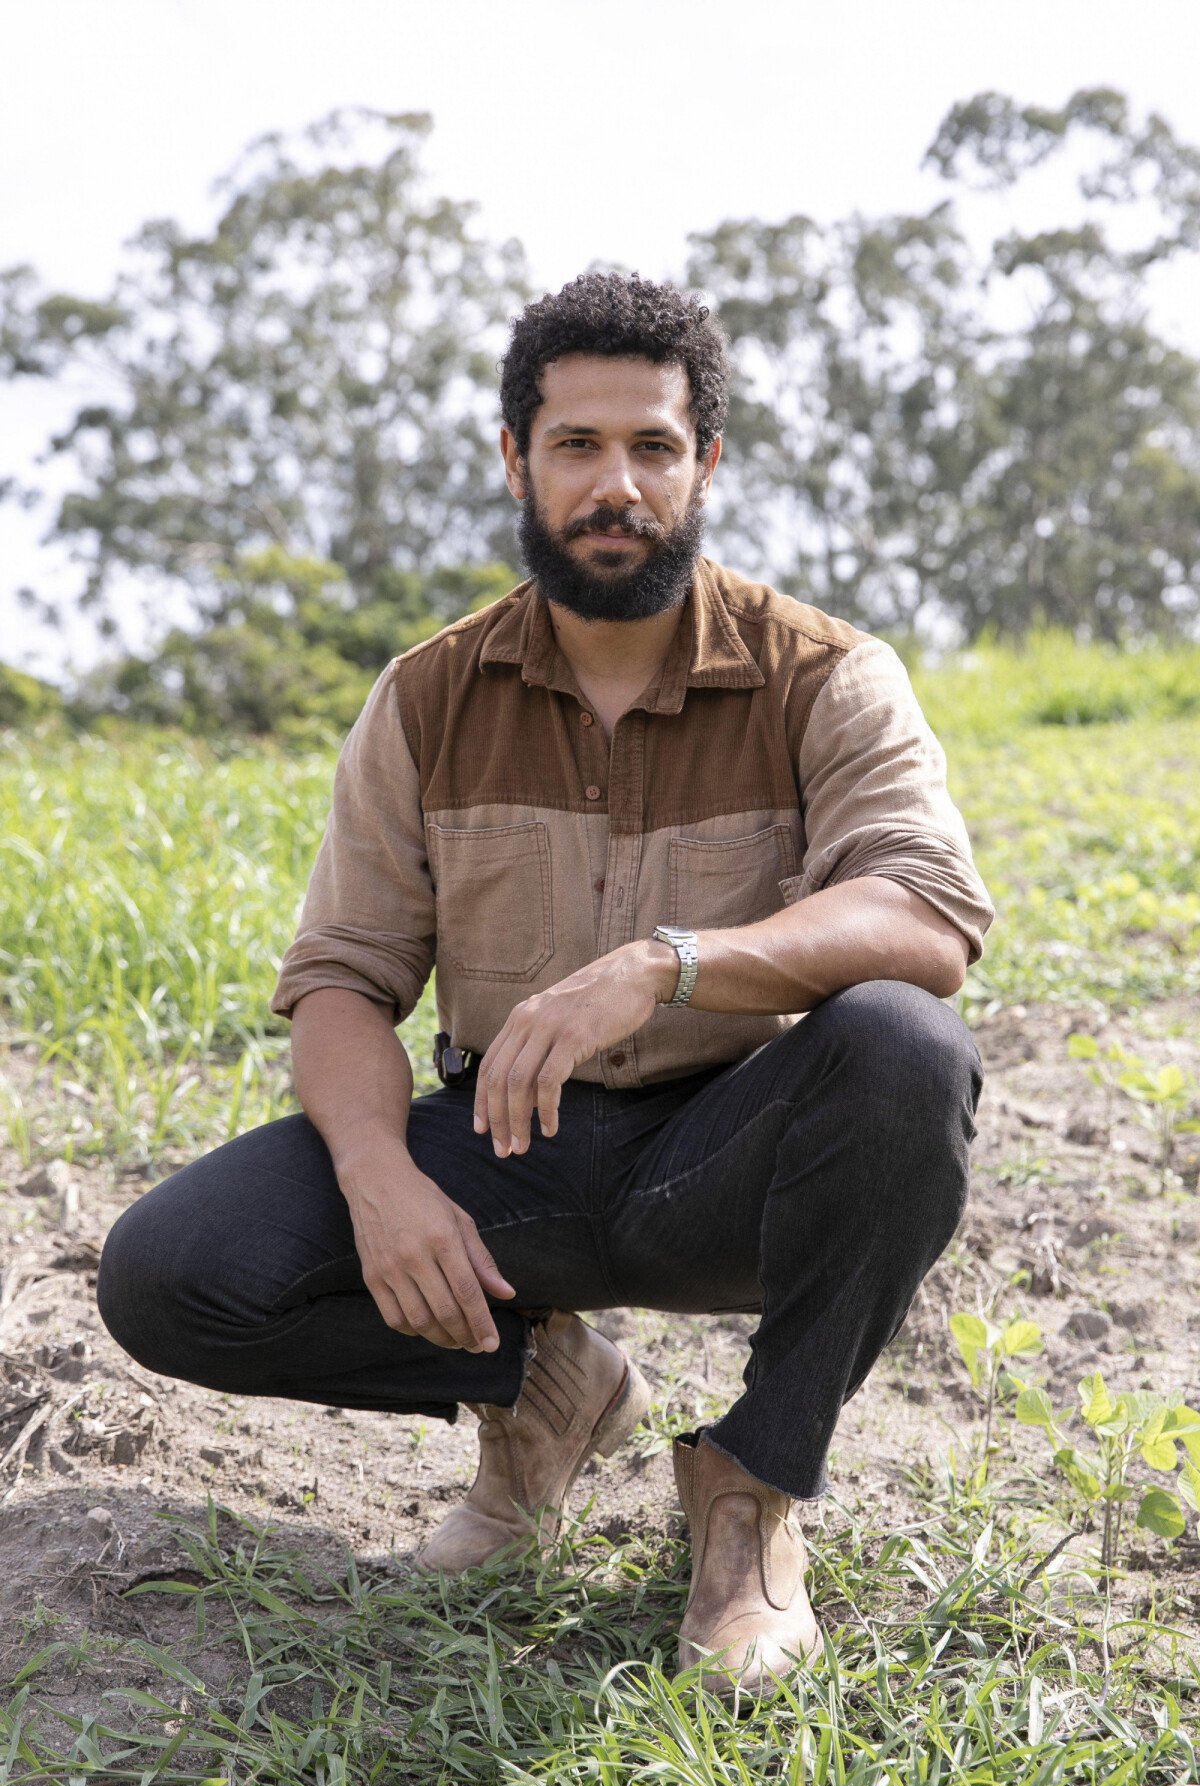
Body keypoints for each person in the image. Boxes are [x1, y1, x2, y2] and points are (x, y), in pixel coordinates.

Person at [97, 272, 992, 1702]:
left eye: (651, 446)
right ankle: (546, 1387)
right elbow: (343, 976)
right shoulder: (427, 695)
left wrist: (669, 963)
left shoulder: (826, 675)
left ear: (707, 466)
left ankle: (752, 1493)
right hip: (511, 1156)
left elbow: (927, 913)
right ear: (516, 461)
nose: (614, 483)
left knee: (903, 1045)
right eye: (576, 445)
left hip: (740, 1160)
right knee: (171, 1276)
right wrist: (382, 1174)